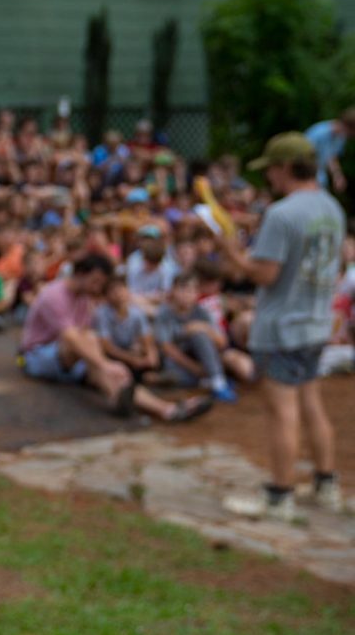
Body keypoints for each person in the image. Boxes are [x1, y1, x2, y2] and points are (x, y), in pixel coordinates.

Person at [219, 133, 347, 521]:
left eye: (272, 169)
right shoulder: (332, 206)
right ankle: (326, 485)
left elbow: (266, 274)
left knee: (282, 411)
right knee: (311, 402)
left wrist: (234, 255)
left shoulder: (282, 214)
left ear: (287, 167)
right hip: (316, 322)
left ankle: (279, 495)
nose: (269, 177)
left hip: (282, 327)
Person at [19, 253, 210, 423]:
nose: (98, 287)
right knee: (96, 352)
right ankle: (116, 393)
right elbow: (71, 337)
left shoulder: (84, 298)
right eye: (95, 281)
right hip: (37, 356)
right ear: (80, 274)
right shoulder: (54, 295)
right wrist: (105, 364)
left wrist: (106, 366)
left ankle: (166, 409)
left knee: (113, 376)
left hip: (70, 358)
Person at [153, 273, 252, 403]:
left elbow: (222, 342)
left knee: (199, 334)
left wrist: (204, 328)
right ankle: (210, 379)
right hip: (180, 363)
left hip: (204, 358)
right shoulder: (164, 313)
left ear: (197, 293)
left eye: (191, 290)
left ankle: (217, 382)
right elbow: (167, 348)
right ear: (173, 291)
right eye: (182, 289)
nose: (187, 294)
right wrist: (194, 368)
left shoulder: (202, 311)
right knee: (177, 377)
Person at [93, 275, 159, 380]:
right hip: (113, 354)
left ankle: (148, 376)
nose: (119, 294)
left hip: (128, 350)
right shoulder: (102, 314)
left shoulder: (136, 313)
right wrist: (131, 359)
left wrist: (151, 355)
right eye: (113, 291)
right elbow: (107, 346)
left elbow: (146, 338)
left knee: (150, 354)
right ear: (106, 296)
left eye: (121, 289)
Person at [303, 108, 355, 193]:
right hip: (306, 179)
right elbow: (302, 157)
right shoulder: (318, 133)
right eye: (351, 134)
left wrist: (337, 176)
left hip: (320, 179)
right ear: (347, 127)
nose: (350, 137)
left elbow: (331, 157)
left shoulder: (341, 137)